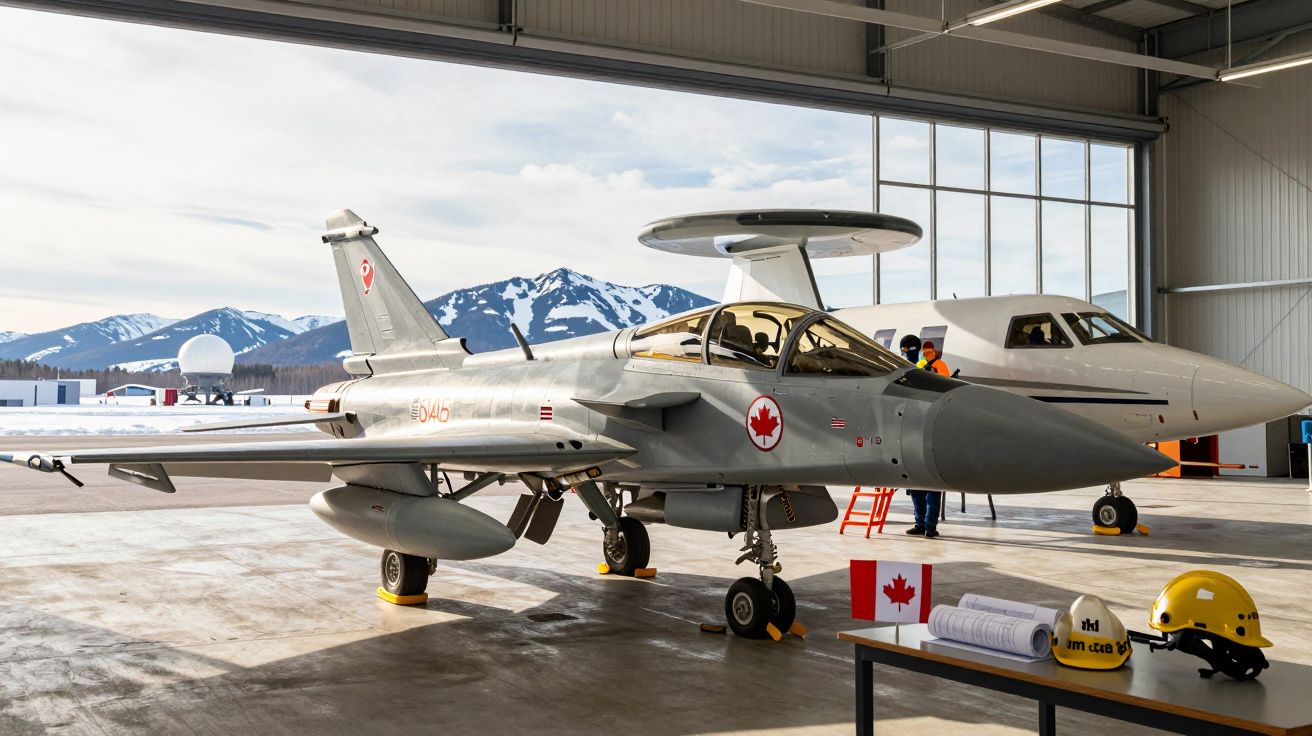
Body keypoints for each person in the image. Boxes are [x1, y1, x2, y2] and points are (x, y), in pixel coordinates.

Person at [907, 340, 950, 538]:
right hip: (915, 441)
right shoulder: (919, 366)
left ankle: (930, 526)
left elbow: (946, 384)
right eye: (925, 351)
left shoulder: (941, 366)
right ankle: (920, 524)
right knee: (917, 490)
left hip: (932, 438)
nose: (927, 353)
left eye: (930, 351)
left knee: (932, 492)